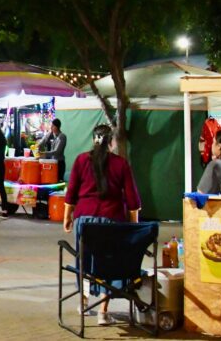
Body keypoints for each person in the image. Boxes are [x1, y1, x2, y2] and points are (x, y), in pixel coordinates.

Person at [63, 124, 141, 326]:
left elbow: (71, 193)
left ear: (93, 140)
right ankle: (103, 312)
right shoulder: (121, 164)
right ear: (112, 142)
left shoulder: (81, 160)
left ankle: (83, 302)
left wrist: (67, 217)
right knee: (109, 263)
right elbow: (133, 201)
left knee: (85, 261)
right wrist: (134, 226)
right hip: (111, 222)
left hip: (84, 222)